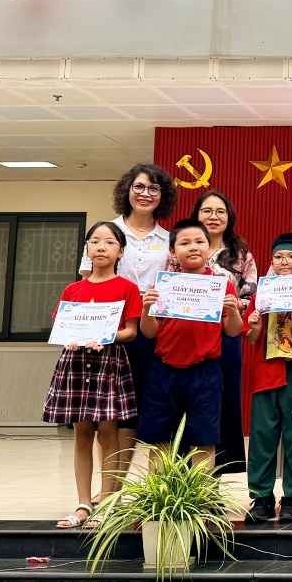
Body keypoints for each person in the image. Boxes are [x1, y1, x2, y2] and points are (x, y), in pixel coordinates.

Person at [80, 164, 178, 478]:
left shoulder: (168, 239)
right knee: (110, 414)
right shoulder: (105, 232)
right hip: (111, 331)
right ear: (127, 190)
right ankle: (111, 490)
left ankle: (145, 489)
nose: (145, 194)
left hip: (151, 330)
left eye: (154, 188)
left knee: (146, 409)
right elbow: (86, 283)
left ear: (163, 196)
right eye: (139, 187)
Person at [43, 221, 142, 529]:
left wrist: (105, 336)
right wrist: (70, 338)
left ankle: (108, 503)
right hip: (75, 363)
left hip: (108, 362)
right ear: (86, 248)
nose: (101, 247)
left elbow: (131, 331)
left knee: (109, 435)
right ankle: (83, 504)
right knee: (82, 435)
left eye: (110, 242)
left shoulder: (127, 288)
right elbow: (62, 328)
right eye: (95, 241)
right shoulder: (73, 289)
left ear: (120, 251)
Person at [136, 220, 244, 466]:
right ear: (172, 252)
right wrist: (146, 310)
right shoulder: (164, 285)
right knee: (160, 439)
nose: (193, 247)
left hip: (205, 371)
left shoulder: (221, 285)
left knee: (203, 439)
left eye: (199, 242)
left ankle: (200, 491)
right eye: (184, 243)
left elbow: (232, 330)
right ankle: (159, 490)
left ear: (209, 248)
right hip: (164, 370)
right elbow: (150, 333)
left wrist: (233, 311)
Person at [178, 192, 254, 477]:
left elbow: (251, 296)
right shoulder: (180, 248)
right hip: (185, 338)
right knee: (183, 403)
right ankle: (181, 479)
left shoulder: (241, 254)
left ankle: (212, 481)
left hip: (225, 336)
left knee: (221, 404)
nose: (213, 216)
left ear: (229, 216)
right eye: (207, 211)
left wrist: (232, 305)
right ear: (197, 214)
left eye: (220, 211)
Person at [241, 234, 292, 525]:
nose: (284, 262)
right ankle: (261, 497)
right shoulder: (262, 294)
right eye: (278, 257)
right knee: (262, 437)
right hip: (266, 372)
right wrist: (254, 325)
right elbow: (251, 338)